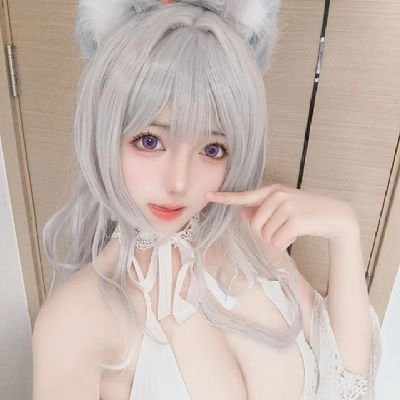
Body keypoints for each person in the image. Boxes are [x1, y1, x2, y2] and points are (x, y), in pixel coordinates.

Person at [32, 1, 382, 399]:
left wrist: (343, 231)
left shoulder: (251, 241)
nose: (179, 182)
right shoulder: (76, 319)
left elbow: (351, 386)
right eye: (149, 141)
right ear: (103, 132)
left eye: (212, 149)